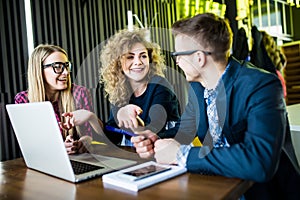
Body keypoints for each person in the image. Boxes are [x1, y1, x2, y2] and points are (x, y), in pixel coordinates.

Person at [131, 13, 299, 199]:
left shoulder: (261, 85)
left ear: (199, 58)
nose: (176, 61)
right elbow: (187, 128)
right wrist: (152, 136)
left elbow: (259, 162)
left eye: (177, 55)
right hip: (220, 188)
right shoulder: (197, 86)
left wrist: (181, 155)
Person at [99, 28, 180, 146]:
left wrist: (125, 114)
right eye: (130, 57)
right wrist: (91, 119)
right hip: (137, 153)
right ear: (118, 63)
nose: (138, 62)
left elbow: (153, 131)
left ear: (150, 59)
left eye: (143, 56)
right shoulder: (120, 91)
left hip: (165, 151)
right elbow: (112, 135)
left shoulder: (160, 86)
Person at [15, 44, 99, 154]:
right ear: (39, 71)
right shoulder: (23, 100)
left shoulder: (80, 93)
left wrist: (84, 141)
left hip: (79, 159)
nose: (66, 72)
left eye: (66, 66)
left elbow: (90, 134)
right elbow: (28, 146)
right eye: (58, 67)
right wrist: (57, 148)